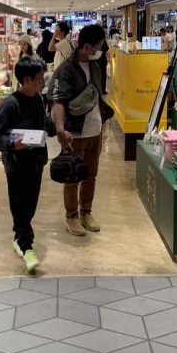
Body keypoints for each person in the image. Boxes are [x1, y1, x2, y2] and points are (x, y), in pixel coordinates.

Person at [0, 57, 49, 274]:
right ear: (27, 80)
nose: (43, 81)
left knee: (30, 204)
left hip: (36, 162)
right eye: (40, 77)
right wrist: (13, 144)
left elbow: (43, 124)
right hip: (16, 164)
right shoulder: (10, 104)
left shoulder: (38, 99)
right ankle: (26, 245)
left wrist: (58, 130)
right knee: (19, 204)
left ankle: (19, 237)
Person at [51, 24, 113, 237]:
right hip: (74, 133)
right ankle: (71, 216)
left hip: (95, 130)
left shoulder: (95, 66)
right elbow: (58, 102)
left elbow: (97, 95)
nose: (102, 49)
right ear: (87, 47)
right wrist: (60, 130)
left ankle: (86, 212)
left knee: (90, 176)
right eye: (99, 45)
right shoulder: (66, 69)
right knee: (72, 176)